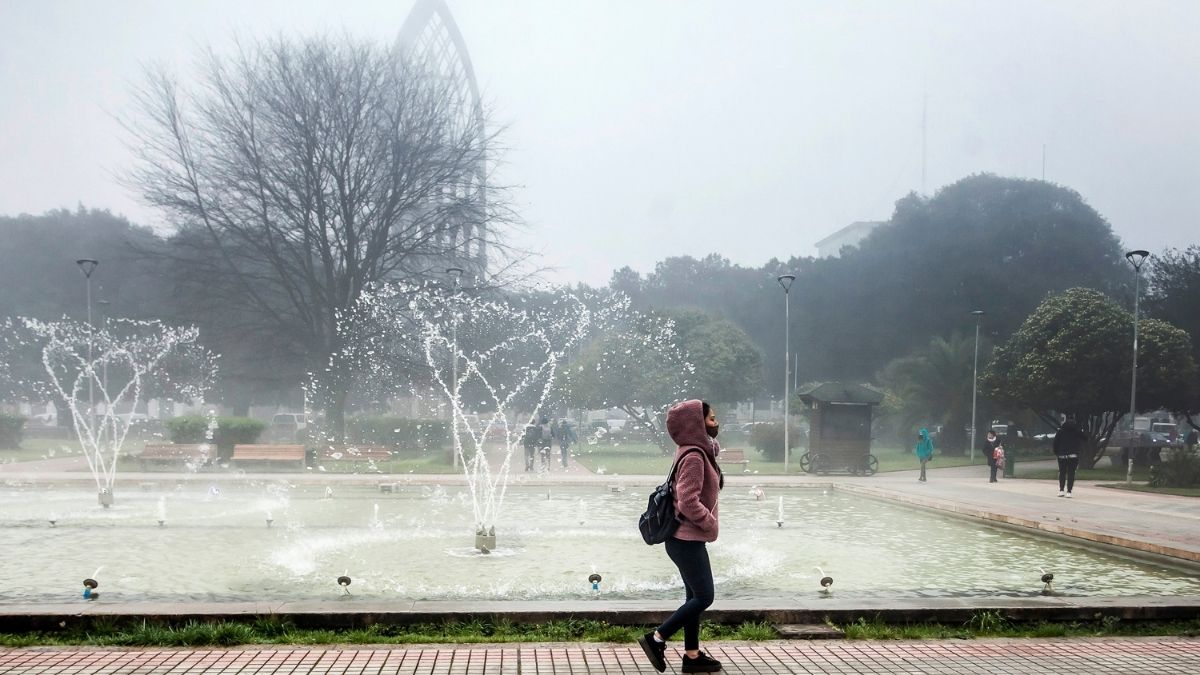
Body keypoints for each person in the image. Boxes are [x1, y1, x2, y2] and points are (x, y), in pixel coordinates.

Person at [638, 399, 725, 674]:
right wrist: (709, 523)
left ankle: (692, 655)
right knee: (704, 597)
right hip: (685, 540)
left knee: (693, 598)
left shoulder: (695, 450)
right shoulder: (694, 457)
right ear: (698, 424)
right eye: (711, 419)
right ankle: (657, 639)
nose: (716, 422)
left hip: (685, 539)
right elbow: (688, 501)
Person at [1053, 417, 1086, 497]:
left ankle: (1061, 490)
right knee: (1071, 473)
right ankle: (1069, 491)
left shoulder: (1060, 432)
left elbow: (1055, 443)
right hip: (1073, 455)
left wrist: (1056, 452)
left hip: (1062, 455)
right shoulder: (1076, 431)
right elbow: (1085, 438)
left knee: (1062, 472)